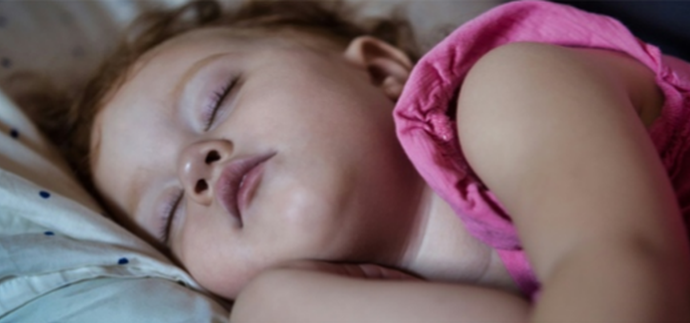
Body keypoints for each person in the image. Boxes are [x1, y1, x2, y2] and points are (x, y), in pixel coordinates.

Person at [16, 0, 690, 321]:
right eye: (167, 211)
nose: (197, 165)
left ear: (380, 70)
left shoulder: (511, 89)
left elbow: (620, 261)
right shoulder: (300, 300)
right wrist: (275, 304)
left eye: (218, 97)